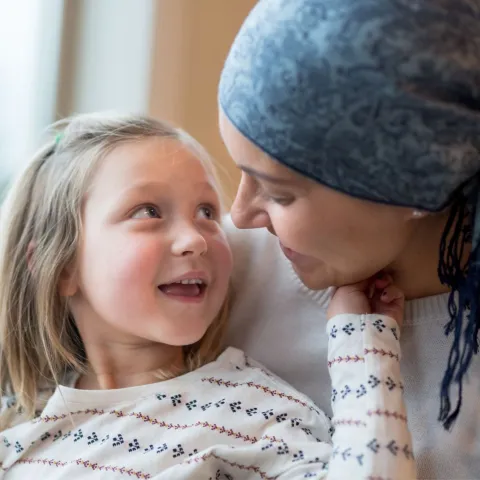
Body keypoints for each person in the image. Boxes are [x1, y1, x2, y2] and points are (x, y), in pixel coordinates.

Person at [0, 113, 415, 478]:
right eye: (148, 211)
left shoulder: (256, 412)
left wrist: (361, 344)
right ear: (64, 266)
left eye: (206, 213)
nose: (194, 239)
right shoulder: (16, 425)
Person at [218, 0, 480, 478]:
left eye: (278, 193)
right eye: (239, 172)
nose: (238, 214)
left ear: (414, 187)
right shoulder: (213, 273)